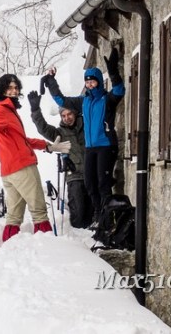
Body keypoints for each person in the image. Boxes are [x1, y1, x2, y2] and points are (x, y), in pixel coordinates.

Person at [0, 74, 70, 242]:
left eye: (16, 88)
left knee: (13, 216)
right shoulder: (1, 110)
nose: (14, 91)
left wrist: (48, 146)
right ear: (1, 89)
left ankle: (9, 248)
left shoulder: (5, 109)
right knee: (39, 211)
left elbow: (22, 140)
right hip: (22, 168)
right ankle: (48, 247)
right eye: (9, 88)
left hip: (9, 171)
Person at [43, 48, 125, 223]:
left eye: (92, 81)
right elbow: (62, 101)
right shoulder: (84, 101)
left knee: (103, 183)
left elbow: (119, 90)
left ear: (99, 82)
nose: (89, 85)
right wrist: (51, 83)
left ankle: (107, 220)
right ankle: (99, 216)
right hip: (90, 148)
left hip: (106, 146)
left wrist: (113, 73)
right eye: (87, 82)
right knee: (89, 183)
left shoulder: (107, 99)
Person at [27, 90, 93, 229]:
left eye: (69, 114)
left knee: (94, 211)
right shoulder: (59, 133)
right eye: (63, 115)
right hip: (74, 177)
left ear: (75, 113)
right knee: (79, 212)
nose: (67, 118)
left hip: (93, 174)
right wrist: (35, 110)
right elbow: (43, 128)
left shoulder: (87, 126)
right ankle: (77, 237)